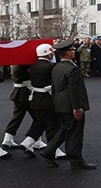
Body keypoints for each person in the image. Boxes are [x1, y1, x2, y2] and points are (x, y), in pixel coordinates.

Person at [38, 40, 96, 170]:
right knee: (75, 133)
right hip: (71, 105)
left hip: (60, 104)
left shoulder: (56, 67)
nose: (74, 51)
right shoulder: (72, 69)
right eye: (72, 50)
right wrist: (77, 108)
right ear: (68, 53)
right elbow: (74, 90)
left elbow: (54, 87)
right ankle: (76, 160)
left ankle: (48, 151)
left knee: (65, 129)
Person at [1, 64, 32, 149]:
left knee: (17, 116)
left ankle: (8, 137)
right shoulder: (22, 65)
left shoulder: (15, 63)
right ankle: (33, 139)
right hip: (25, 93)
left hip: (19, 92)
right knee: (38, 118)